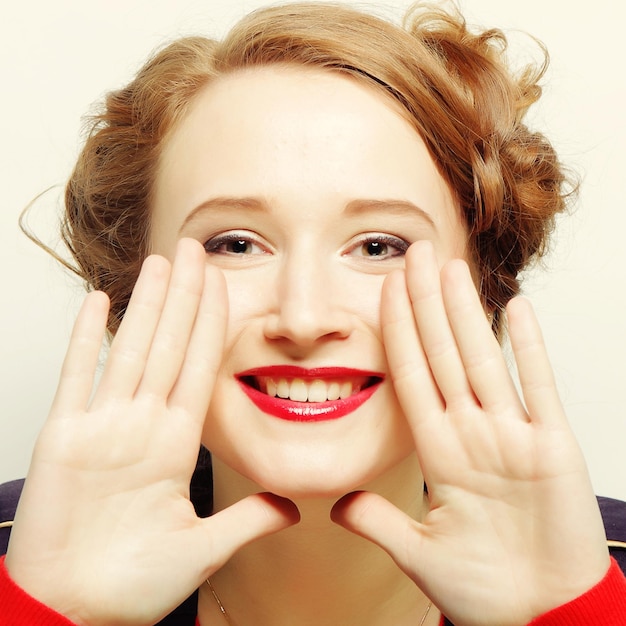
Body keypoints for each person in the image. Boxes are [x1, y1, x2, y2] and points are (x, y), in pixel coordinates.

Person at [1, 1, 625, 624]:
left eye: (379, 246)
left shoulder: (595, 580)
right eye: (236, 244)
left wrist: (566, 612)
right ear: (130, 288)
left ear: (484, 284)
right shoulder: (28, 566)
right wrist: (54, 610)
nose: (302, 319)